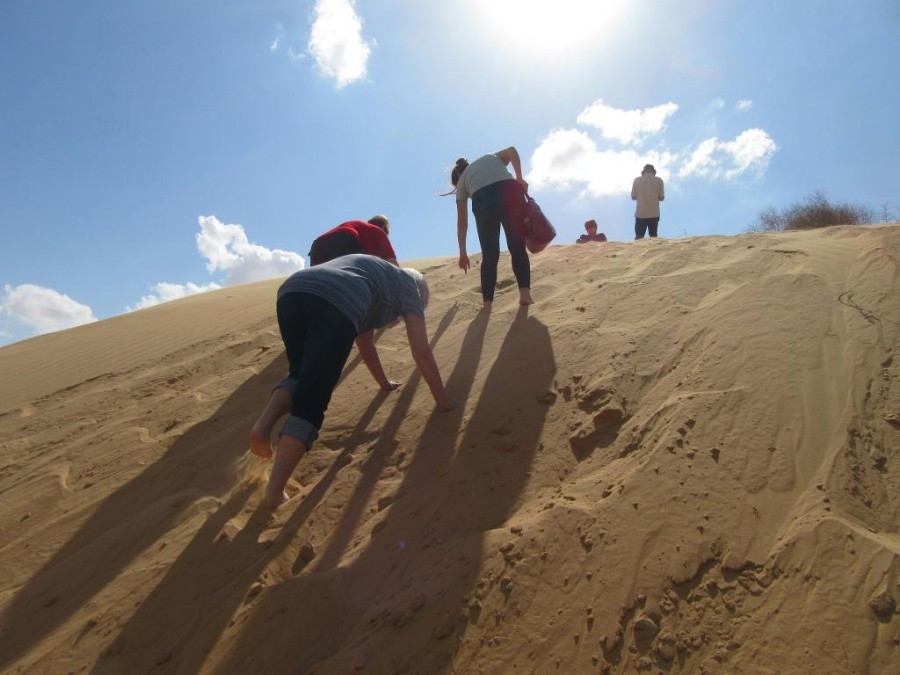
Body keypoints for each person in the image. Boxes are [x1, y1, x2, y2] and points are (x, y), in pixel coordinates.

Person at [249, 254, 454, 508]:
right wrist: (444, 403)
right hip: (335, 299)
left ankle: (263, 425)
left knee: (300, 375)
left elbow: (365, 344)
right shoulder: (410, 286)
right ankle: (275, 492)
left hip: (293, 291)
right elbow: (421, 352)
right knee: (312, 401)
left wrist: (384, 383)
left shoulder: (376, 280)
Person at [446, 147, 533, 309]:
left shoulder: (463, 181)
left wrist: (463, 253)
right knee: (517, 246)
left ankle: (487, 305)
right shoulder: (490, 156)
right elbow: (512, 150)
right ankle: (525, 295)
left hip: (483, 200)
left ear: (457, 177)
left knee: (490, 255)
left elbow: (462, 222)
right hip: (510, 191)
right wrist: (520, 178)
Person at [308, 216, 397, 266]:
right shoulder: (378, 231)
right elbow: (393, 265)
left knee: (317, 281)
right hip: (344, 238)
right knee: (352, 280)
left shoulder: (361, 228)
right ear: (382, 228)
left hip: (318, 244)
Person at [631, 164, 665, 239]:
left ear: (644, 171)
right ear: (653, 172)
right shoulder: (659, 180)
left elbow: (633, 196)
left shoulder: (637, 180)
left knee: (639, 237)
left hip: (641, 213)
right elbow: (661, 197)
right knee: (653, 236)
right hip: (654, 213)